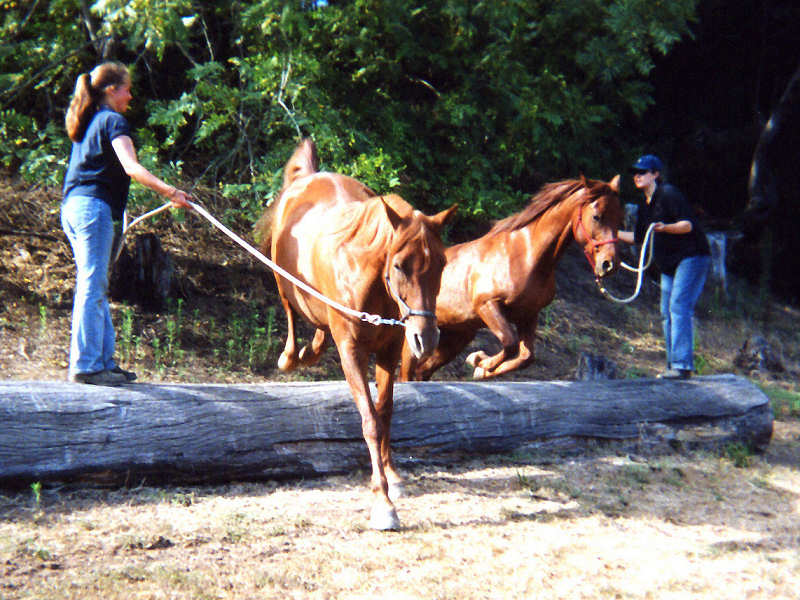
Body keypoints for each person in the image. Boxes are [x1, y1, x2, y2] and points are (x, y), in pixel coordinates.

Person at [62, 62, 192, 385]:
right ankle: (87, 365)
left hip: (75, 208)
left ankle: (102, 361)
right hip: (93, 210)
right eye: (126, 89)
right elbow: (131, 167)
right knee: (93, 284)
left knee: (96, 283)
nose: (130, 96)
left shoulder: (88, 122)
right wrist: (171, 191)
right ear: (111, 90)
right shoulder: (113, 121)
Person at [618, 154, 711, 380]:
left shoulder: (668, 194)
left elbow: (687, 225)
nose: (637, 176)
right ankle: (674, 366)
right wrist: (610, 235)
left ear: (655, 174)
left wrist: (665, 228)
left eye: (643, 172)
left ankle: (681, 365)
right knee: (665, 312)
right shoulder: (644, 205)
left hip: (692, 257)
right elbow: (639, 237)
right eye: (636, 173)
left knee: (678, 306)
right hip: (669, 264)